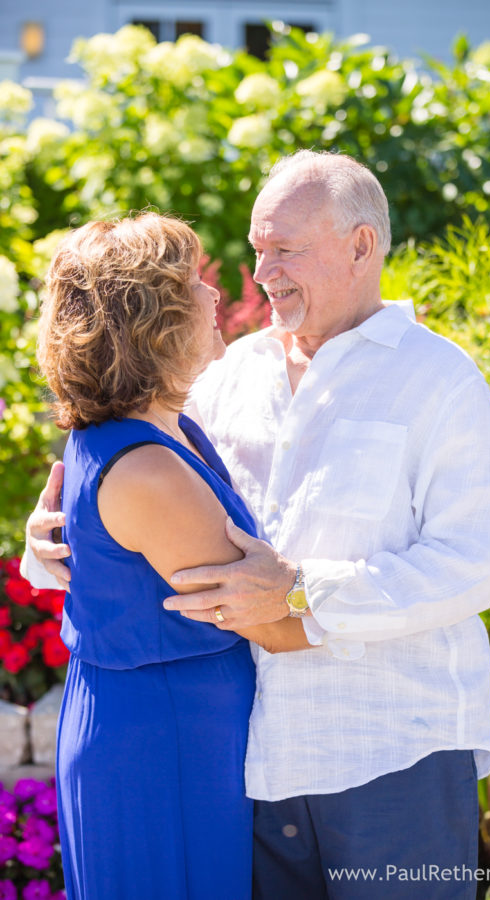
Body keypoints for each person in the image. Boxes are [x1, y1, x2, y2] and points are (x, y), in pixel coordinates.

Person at [25, 152, 490, 899]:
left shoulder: (441, 379)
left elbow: (470, 566)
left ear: (360, 246)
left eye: (284, 249)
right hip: (255, 765)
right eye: (256, 250)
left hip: (392, 753)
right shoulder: (229, 372)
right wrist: (52, 540)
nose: (261, 273)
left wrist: (303, 593)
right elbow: (131, 485)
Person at [34, 213, 310, 900]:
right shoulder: (147, 469)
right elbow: (274, 624)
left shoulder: (161, 426)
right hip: (161, 746)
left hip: (171, 730)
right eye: (193, 284)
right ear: (149, 320)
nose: (216, 295)